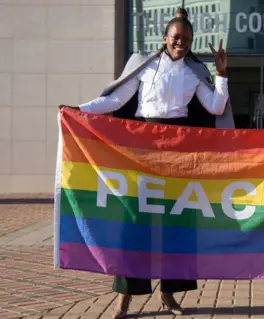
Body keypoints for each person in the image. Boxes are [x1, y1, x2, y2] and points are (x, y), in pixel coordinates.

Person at [59, 8, 233, 319]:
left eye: (187, 39)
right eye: (176, 37)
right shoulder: (143, 64)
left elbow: (216, 106)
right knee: (135, 221)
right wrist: (81, 109)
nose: (181, 42)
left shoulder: (195, 72)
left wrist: (221, 74)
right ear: (165, 38)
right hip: (142, 143)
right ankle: (125, 298)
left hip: (177, 147)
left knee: (177, 222)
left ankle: (169, 294)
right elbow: (115, 100)